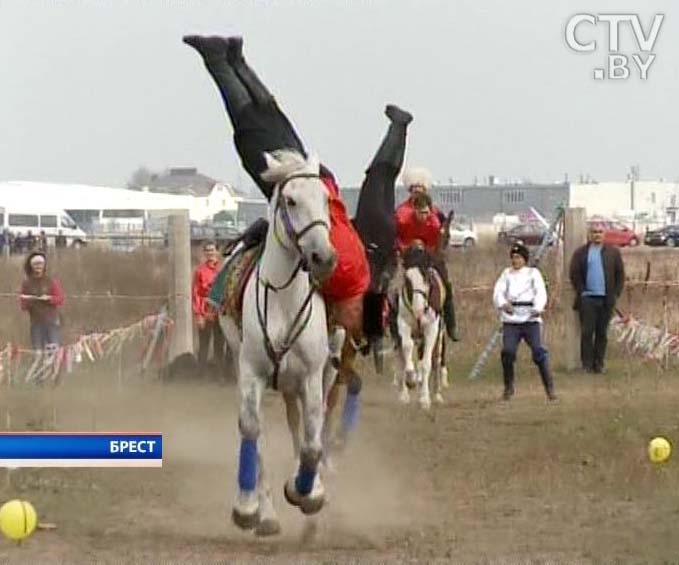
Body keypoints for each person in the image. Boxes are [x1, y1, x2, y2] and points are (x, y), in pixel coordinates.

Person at [183, 34, 370, 340]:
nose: (343, 325)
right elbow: (310, 258)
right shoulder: (345, 277)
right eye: (352, 325)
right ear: (357, 310)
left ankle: (237, 59)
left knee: (269, 113)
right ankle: (217, 59)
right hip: (292, 184)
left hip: (313, 175)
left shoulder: (361, 273)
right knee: (248, 123)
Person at [395, 186, 459, 341]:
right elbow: (397, 238)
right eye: (421, 212)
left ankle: (451, 325)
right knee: (394, 288)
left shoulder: (435, 223)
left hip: (430, 258)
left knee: (446, 285)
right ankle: (393, 325)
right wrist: (407, 248)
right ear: (414, 210)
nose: (424, 216)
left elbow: (439, 244)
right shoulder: (403, 219)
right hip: (410, 258)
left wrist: (431, 250)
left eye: (426, 212)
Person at [493, 243, 556, 401]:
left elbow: (541, 292)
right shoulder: (506, 274)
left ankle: (549, 388)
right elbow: (498, 292)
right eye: (513, 257)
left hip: (530, 319)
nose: (515, 261)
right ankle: (508, 387)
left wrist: (537, 307)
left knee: (538, 351)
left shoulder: (533, 274)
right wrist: (503, 304)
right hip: (511, 320)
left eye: (519, 257)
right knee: (508, 352)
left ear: (524, 259)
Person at [569, 222, 625, 374]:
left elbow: (620, 275)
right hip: (587, 299)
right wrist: (581, 291)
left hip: (606, 300)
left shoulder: (612, 253)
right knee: (587, 333)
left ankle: (598, 365)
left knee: (602, 333)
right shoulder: (581, 253)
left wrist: (615, 294)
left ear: (604, 234)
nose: (597, 235)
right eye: (594, 232)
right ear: (589, 234)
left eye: (600, 232)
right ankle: (586, 365)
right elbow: (574, 273)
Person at [192, 240, 226, 374]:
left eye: (212, 250)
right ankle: (201, 375)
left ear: (217, 252)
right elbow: (196, 293)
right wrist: (198, 315)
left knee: (220, 344)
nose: (210, 253)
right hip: (206, 313)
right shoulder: (200, 271)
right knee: (204, 345)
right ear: (204, 253)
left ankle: (219, 375)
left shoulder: (223, 270)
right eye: (207, 251)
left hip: (221, 313)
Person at [19, 251, 65, 350]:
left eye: (40, 264)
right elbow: (23, 305)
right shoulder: (27, 283)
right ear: (31, 266)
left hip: (52, 322)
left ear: (44, 265)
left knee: (53, 352)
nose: (38, 266)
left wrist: (49, 299)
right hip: (36, 323)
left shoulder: (51, 281)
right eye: (35, 264)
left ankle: (54, 366)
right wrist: (30, 300)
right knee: (38, 352)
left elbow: (60, 299)